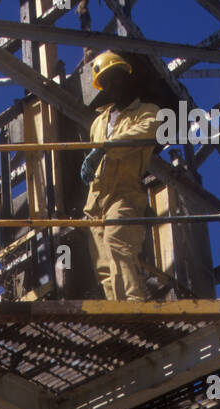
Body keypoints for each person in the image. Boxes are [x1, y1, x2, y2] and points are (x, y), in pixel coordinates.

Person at [81, 51, 160, 301]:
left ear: (126, 78)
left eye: (115, 79)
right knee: (103, 264)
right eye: (105, 83)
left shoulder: (148, 111)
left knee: (118, 241)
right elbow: (97, 152)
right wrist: (92, 160)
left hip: (125, 194)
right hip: (95, 201)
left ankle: (135, 304)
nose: (112, 87)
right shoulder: (98, 122)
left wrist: (105, 147)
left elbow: (142, 133)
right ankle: (118, 310)